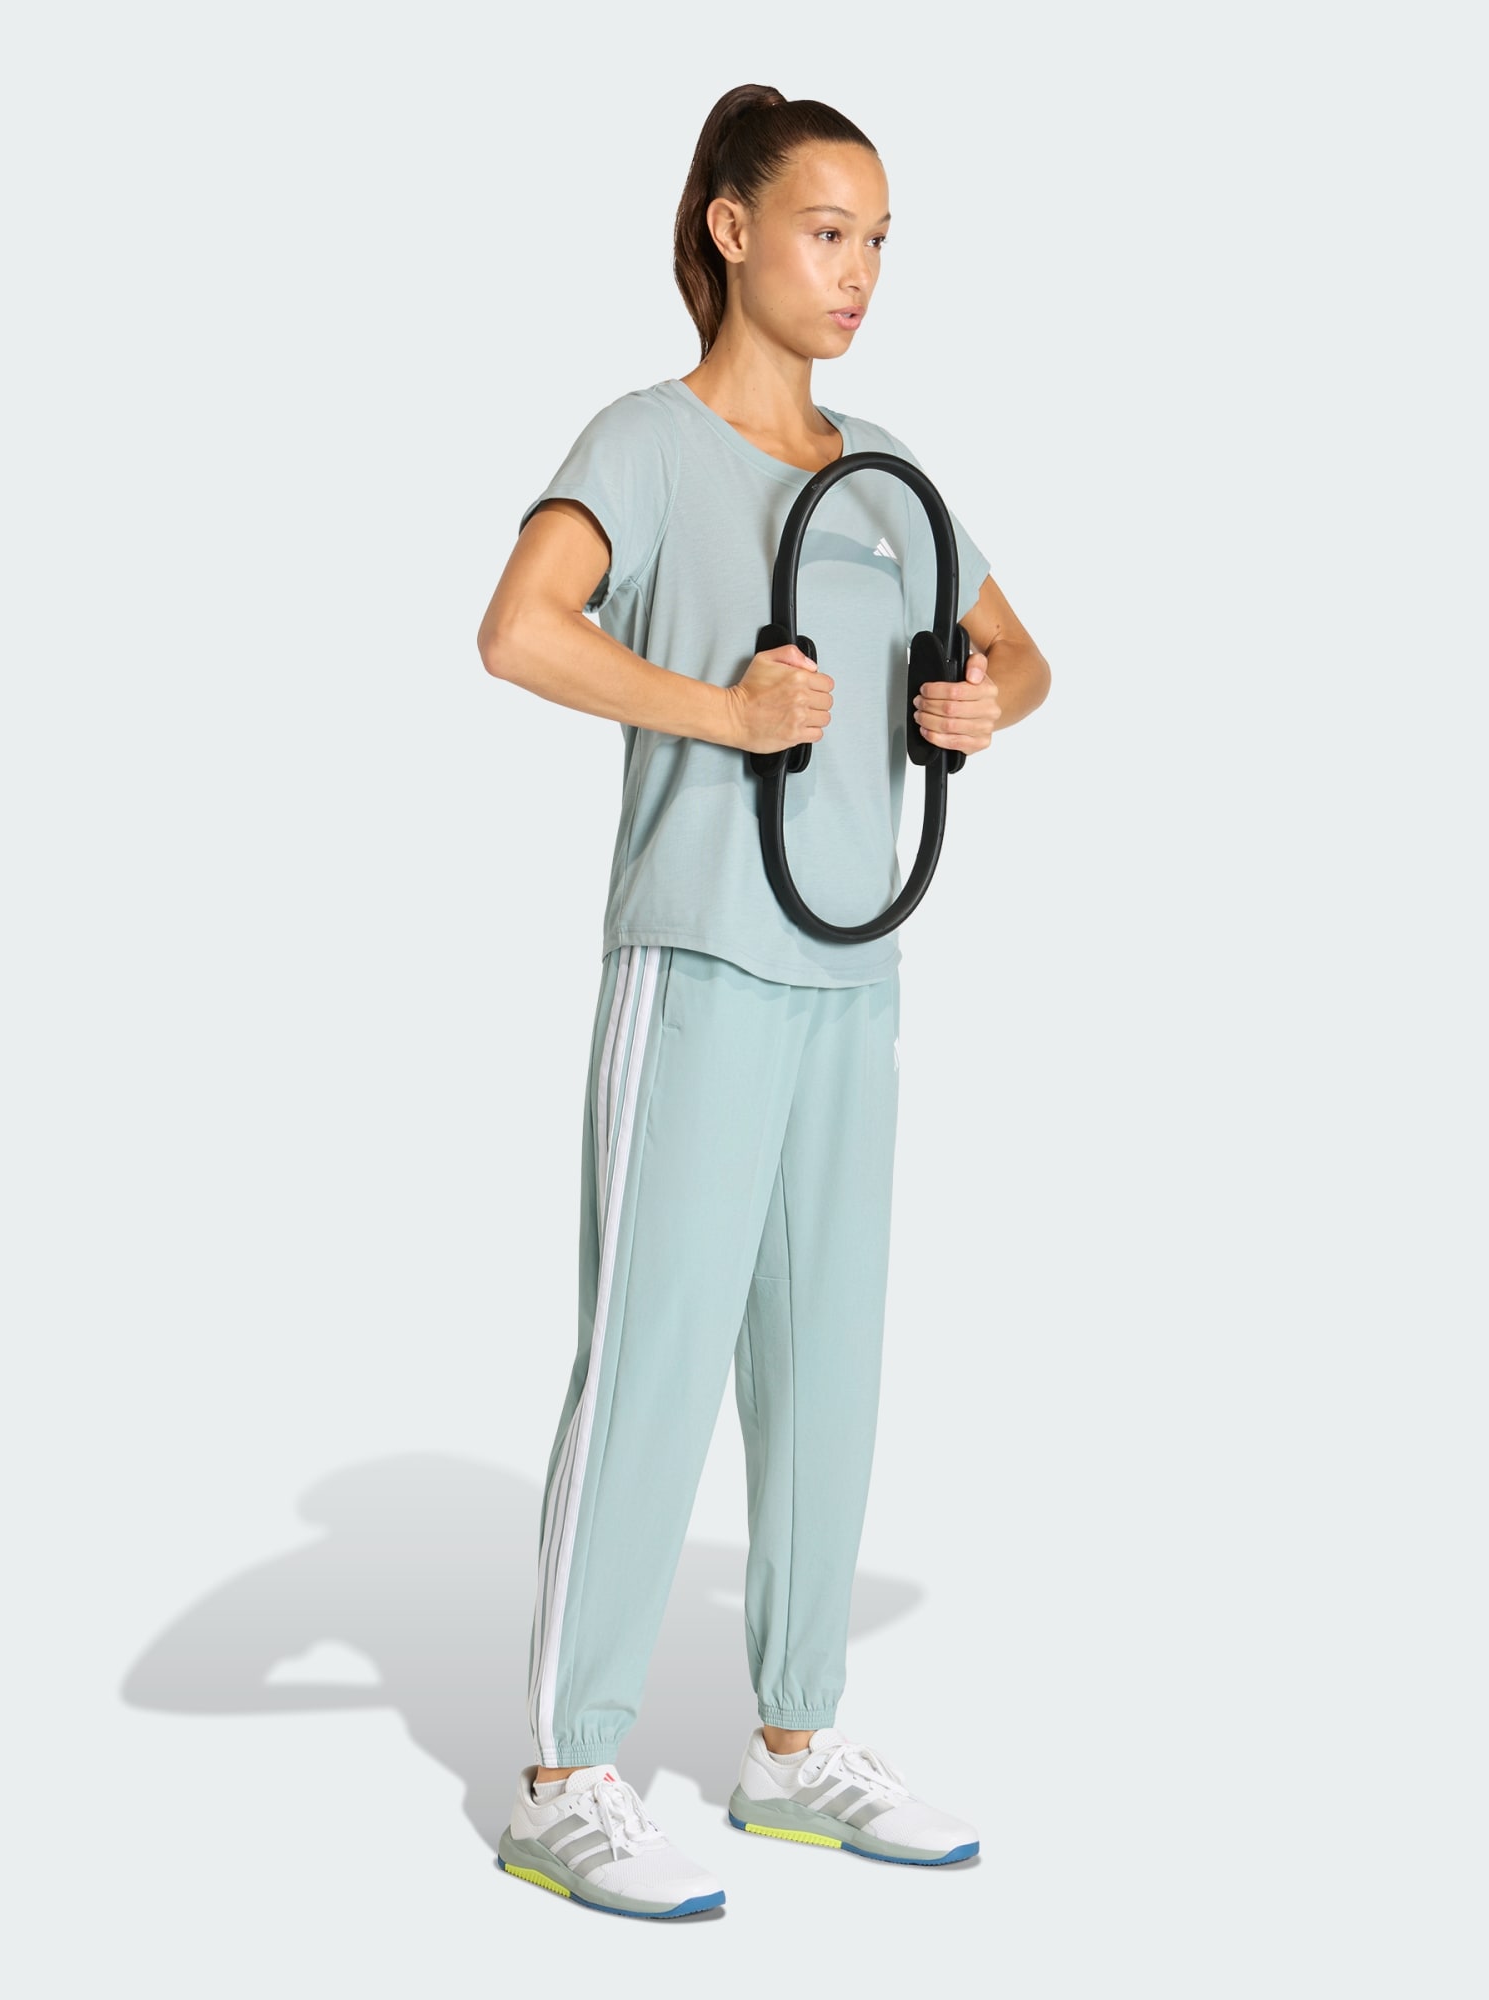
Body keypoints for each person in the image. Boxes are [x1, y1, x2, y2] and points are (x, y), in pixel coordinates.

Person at [475, 83, 1052, 1920]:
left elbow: (1024, 655)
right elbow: (519, 629)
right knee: (653, 1358)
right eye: (827, 230)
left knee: (827, 1376)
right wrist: (724, 713)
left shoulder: (884, 475)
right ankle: (564, 1775)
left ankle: (794, 1745)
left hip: (854, 975)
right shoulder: (646, 443)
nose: (859, 270)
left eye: (879, 241)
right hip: (703, 963)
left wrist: (978, 704)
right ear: (732, 231)